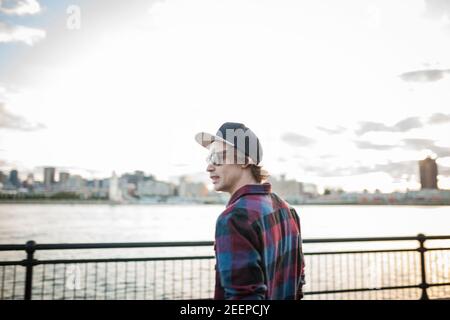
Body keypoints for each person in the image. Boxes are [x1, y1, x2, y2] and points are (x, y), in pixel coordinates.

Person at [195, 122, 305, 300]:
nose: (209, 167)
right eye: (209, 158)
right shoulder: (288, 210)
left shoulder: (235, 218)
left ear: (245, 160)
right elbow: (298, 281)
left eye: (218, 157)